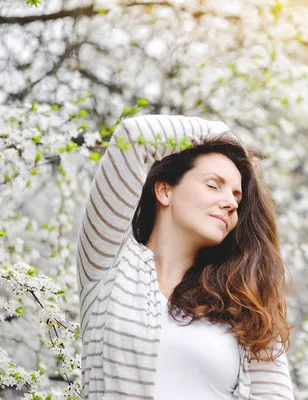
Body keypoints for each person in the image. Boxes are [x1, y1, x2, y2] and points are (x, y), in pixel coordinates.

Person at [76, 114, 294, 399]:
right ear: (164, 190)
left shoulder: (243, 299)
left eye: (237, 198)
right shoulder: (108, 263)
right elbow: (132, 136)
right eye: (213, 185)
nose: (230, 202)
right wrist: (226, 137)